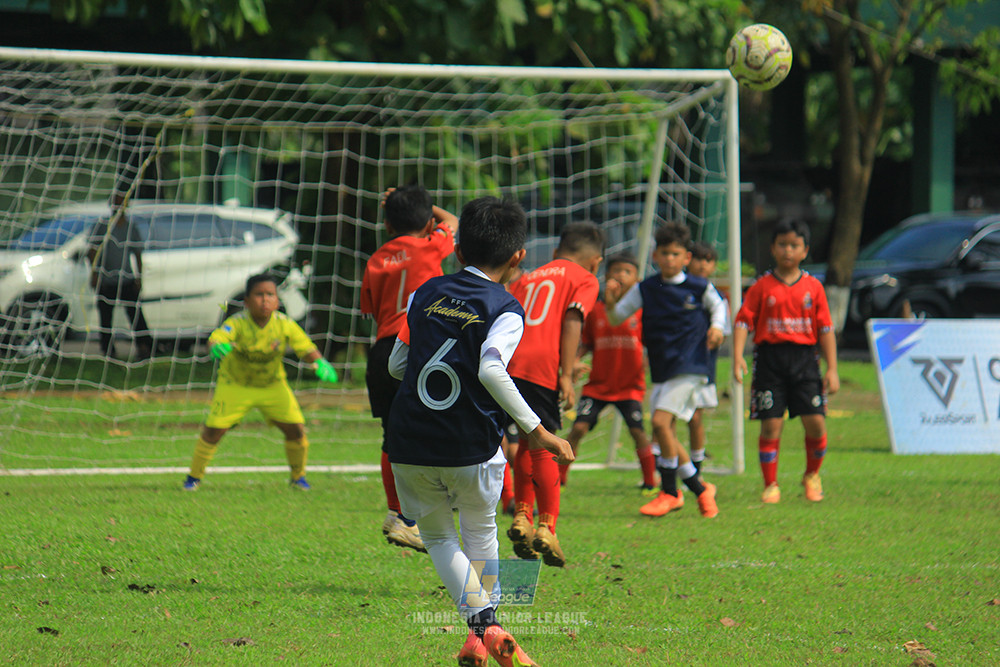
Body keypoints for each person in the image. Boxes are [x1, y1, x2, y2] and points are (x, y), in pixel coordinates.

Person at [386, 196, 573, 667]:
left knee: (441, 540)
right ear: (518, 258)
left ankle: (478, 638)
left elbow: (396, 364)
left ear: (458, 251)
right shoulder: (506, 307)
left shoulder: (423, 293)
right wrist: (538, 431)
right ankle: (490, 627)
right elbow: (491, 369)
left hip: (408, 442)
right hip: (469, 445)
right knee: (479, 534)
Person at [604, 222, 726, 519]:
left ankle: (670, 492)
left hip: (691, 367)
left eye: (676, 254)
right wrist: (610, 298)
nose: (670, 259)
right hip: (662, 369)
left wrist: (717, 327)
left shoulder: (698, 286)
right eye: (664, 253)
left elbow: (719, 307)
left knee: (659, 424)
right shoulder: (646, 288)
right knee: (666, 433)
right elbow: (618, 317)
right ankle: (700, 489)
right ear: (655, 256)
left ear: (686, 258)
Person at [360, 185, 458, 553]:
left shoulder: (375, 259)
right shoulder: (432, 244)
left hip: (383, 350)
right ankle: (427, 507)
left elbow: (368, 308)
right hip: (420, 348)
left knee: (393, 436)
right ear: (428, 221)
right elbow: (454, 221)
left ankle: (399, 514)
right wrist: (423, 207)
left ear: (386, 225)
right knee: (440, 423)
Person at [182, 273, 338, 491]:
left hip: (272, 385)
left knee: (296, 429)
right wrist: (216, 346)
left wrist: (321, 363)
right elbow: (217, 338)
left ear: (277, 300)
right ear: (246, 301)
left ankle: (298, 477)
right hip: (236, 385)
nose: (265, 300)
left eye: (270, 295)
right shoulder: (237, 322)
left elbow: (305, 347)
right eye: (258, 295)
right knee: (214, 431)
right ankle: (193, 478)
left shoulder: (284, 324)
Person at [506, 221, 603, 567]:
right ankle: (547, 526)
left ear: (555, 252)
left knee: (526, 438)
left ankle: (521, 515)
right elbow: (573, 318)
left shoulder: (527, 277)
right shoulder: (585, 279)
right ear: (595, 261)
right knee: (546, 444)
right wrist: (565, 373)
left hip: (506, 364)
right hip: (540, 368)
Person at [732, 219, 839, 503]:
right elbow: (743, 321)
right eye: (782, 244)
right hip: (770, 360)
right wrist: (737, 357)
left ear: (805, 250)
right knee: (771, 425)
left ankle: (812, 475)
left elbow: (825, 329)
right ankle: (771, 484)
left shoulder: (814, 287)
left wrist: (833, 369)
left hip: (805, 360)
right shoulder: (761, 286)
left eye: (794, 245)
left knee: (816, 422)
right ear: (773, 248)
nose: (788, 250)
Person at [561, 251, 658, 494]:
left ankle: (650, 480)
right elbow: (586, 342)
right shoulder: (596, 310)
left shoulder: (642, 311)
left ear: (637, 279)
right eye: (616, 271)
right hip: (599, 386)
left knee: (638, 432)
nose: (621, 276)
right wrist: (573, 362)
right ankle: (559, 478)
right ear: (607, 276)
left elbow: (651, 343)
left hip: (630, 386)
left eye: (627, 272)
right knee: (579, 429)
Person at [87, 194, 153, 360]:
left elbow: (137, 253)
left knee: (136, 316)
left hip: (126, 280)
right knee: (105, 318)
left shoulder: (131, 228)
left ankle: (145, 347)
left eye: (121, 202)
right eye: (115, 202)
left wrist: (139, 277)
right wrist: (94, 274)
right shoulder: (102, 227)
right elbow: (92, 251)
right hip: (106, 281)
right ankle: (108, 350)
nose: (118, 206)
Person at [684, 241, 731, 473]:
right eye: (699, 259)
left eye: (709, 260)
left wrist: (715, 333)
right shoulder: (676, 290)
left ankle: (696, 466)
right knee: (666, 420)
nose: (703, 264)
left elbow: (723, 333)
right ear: (688, 260)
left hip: (702, 367)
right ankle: (663, 466)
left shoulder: (718, 298)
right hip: (674, 365)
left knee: (695, 418)